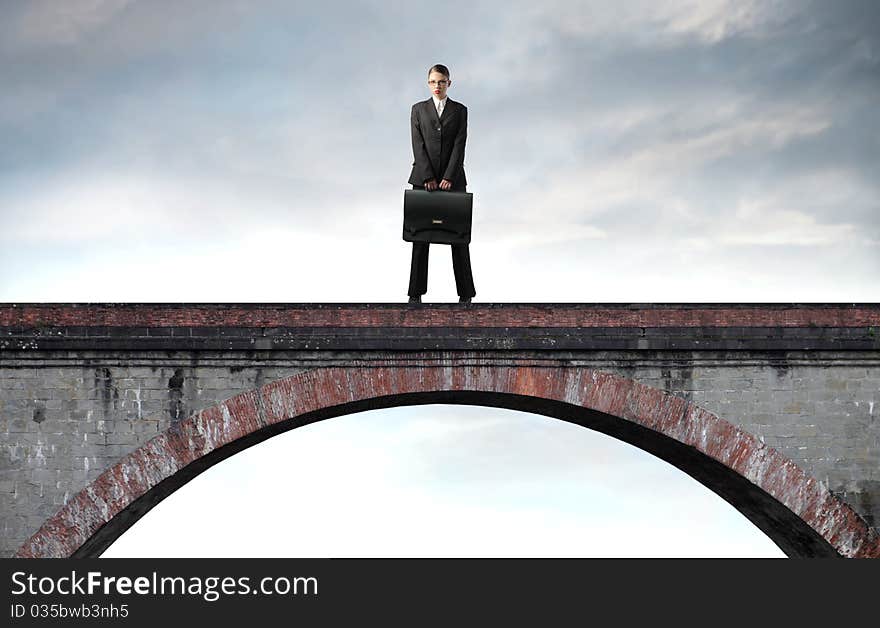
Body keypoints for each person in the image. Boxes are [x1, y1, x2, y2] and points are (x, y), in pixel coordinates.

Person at [407, 64, 476, 304]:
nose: (438, 86)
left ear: (449, 83)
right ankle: (415, 295)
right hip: (423, 181)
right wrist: (428, 177)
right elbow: (418, 145)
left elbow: (460, 145)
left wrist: (448, 176)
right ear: (428, 83)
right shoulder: (418, 110)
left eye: (442, 82)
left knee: (459, 237)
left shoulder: (460, 111)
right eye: (434, 82)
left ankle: (465, 294)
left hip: (453, 180)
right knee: (419, 239)